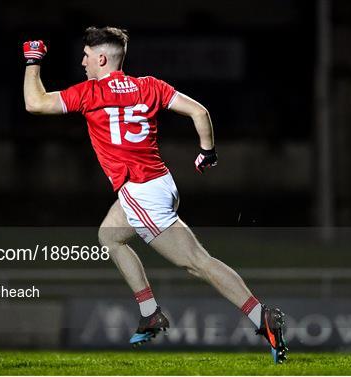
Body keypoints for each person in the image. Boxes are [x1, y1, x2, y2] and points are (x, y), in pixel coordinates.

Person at [22, 27, 287, 363]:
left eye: (87, 56)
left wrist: (33, 60)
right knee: (109, 235)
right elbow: (200, 112)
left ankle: (261, 317)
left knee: (197, 263)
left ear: (102, 58)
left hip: (140, 192)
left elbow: (35, 103)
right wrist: (207, 152)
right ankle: (149, 313)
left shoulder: (90, 93)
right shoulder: (149, 85)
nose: (82, 62)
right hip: (161, 182)